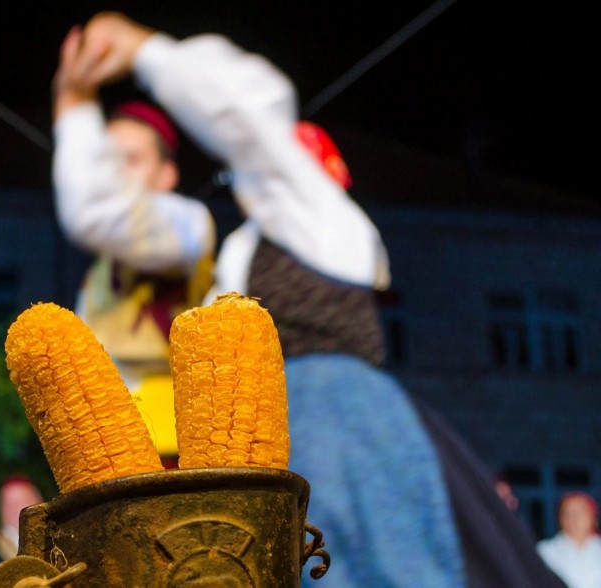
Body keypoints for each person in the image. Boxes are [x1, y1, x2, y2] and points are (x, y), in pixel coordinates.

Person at [51, 12, 562, 587]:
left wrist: (148, 52)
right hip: (255, 444)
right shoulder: (234, 252)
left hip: (340, 419)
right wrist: (74, 109)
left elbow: (251, 115)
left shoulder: (320, 216)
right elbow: (100, 215)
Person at [536, 491, 601, 588]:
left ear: (593, 516)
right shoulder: (545, 551)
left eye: (579, 511)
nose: (574, 518)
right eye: (567, 512)